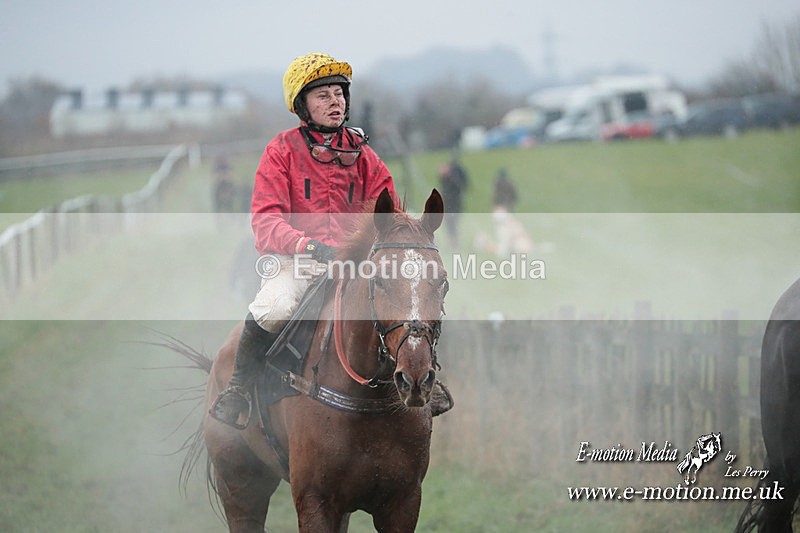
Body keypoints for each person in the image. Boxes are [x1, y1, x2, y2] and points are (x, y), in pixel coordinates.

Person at [210, 52, 453, 428]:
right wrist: (309, 247)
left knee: (409, 299)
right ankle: (239, 388)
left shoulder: (366, 157)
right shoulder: (280, 152)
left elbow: (391, 218)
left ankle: (426, 376)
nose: (335, 101)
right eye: (323, 95)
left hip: (357, 262)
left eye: (339, 94)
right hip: (299, 260)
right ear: (302, 105)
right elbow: (265, 221)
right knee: (276, 304)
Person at [438, 155, 469, 247]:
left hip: (453, 206)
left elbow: (456, 187)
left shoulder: (454, 178)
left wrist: (447, 176)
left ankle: (455, 245)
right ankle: (453, 244)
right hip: (449, 206)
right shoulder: (448, 179)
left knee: (452, 225)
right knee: (449, 226)